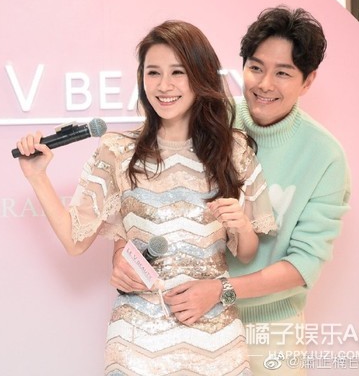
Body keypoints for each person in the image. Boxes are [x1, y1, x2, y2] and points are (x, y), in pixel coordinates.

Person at [16, 20, 276, 375]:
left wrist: (242, 225)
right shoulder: (116, 151)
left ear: (200, 76)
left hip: (217, 337)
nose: (164, 85)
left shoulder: (233, 149)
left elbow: (246, 252)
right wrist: (37, 177)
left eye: (177, 72)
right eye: (153, 72)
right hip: (137, 340)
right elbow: (75, 241)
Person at [112, 7, 352, 375]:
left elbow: (305, 262)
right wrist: (121, 254)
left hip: (271, 325)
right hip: (187, 320)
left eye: (283, 73)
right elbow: (141, 191)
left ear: (307, 81)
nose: (265, 84)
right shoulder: (211, 118)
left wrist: (221, 290)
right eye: (256, 68)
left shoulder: (325, 156)